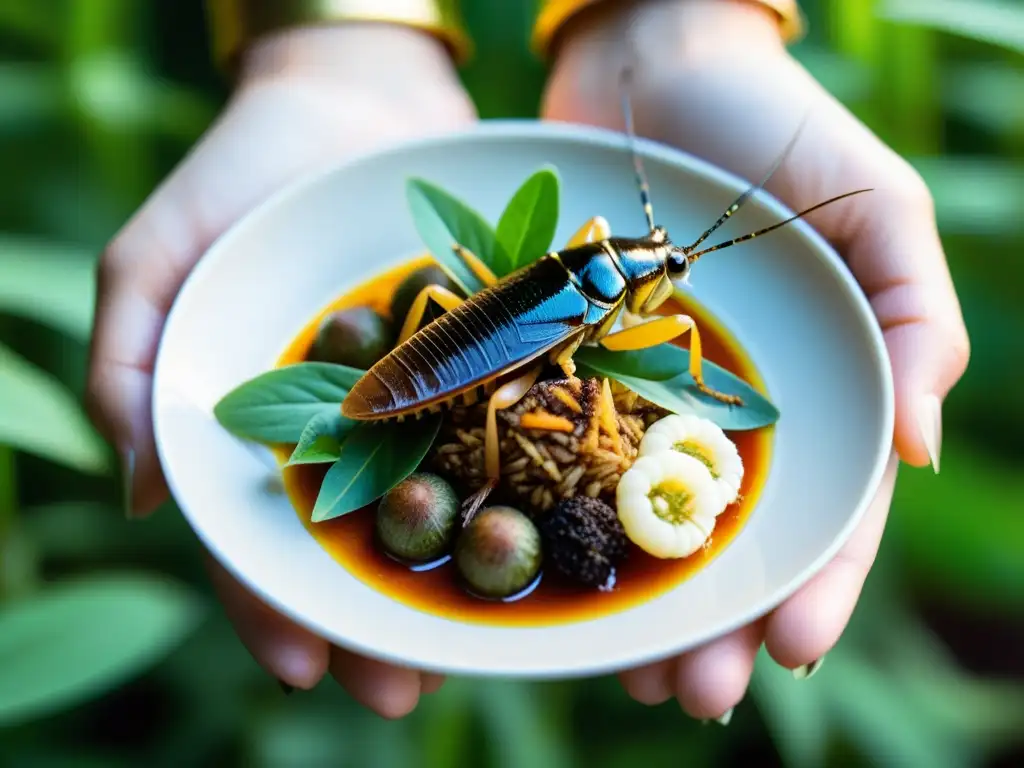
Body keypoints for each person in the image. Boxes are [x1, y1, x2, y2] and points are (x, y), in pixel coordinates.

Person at [85, 0, 969, 722]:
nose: (670, 281)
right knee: (507, 406)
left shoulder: (595, 257)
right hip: (440, 371)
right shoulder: (614, 299)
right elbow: (544, 385)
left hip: (474, 324)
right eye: (665, 265)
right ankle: (471, 470)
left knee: (468, 341)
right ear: (640, 273)